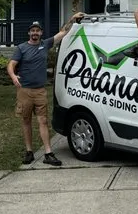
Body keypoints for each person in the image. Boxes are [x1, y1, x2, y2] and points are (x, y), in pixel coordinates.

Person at [7, 12, 85, 166]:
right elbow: (11, 65)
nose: (35, 33)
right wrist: (13, 77)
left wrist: (72, 19)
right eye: (33, 31)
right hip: (25, 91)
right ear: (29, 32)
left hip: (40, 91)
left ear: (41, 33)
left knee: (43, 121)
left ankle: (48, 153)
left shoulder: (45, 44)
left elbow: (63, 32)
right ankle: (29, 151)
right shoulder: (21, 48)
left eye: (38, 30)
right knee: (26, 120)